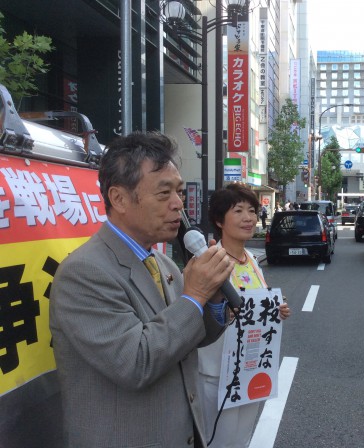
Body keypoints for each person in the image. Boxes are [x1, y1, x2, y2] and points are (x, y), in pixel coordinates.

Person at [49, 132, 234, 448]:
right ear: (119, 198)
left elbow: (188, 334)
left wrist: (214, 297)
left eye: (178, 191)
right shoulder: (83, 273)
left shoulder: (162, 262)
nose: (178, 204)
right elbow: (135, 362)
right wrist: (196, 295)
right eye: (163, 193)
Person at [198, 183, 291, 448]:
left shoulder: (250, 258)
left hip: (250, 368)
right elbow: (195, 311)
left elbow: (258, 301)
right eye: (238, 211)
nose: (248, 217)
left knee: (242, 440)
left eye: (251, 210)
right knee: (218, 441)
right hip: (217, 372)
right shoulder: (209, 261)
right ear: (219, 220)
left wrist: (276, 307)